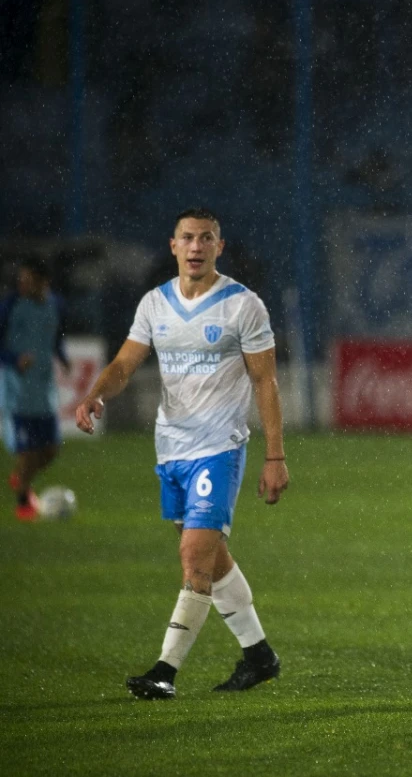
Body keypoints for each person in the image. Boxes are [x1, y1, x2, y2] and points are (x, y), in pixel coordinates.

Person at [75, 209, 290, 700]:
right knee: (212, 560)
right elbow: (126, 363)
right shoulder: (155, 304)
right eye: (187, 238)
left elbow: (265, 381)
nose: (196, 247)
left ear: (220, 246)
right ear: (173, 246)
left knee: (194, 557)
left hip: (219, 448)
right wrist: (97, 393)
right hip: (171, 449)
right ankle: (259, 656)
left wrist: (275, 456)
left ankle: (164, 671)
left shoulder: (242, 305)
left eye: (206, 238)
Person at [1, 256, 69, 520]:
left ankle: (20, 477)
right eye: (21, 279)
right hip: (18, 392)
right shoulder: (11, 306)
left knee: (50, 450)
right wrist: (13, 359)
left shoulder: (56, 305)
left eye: (28, 280)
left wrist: (62, 358)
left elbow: (55, 336)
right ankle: (23, 502)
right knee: (29, 451)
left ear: (44, 282)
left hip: (44, 390)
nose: (22, 284)